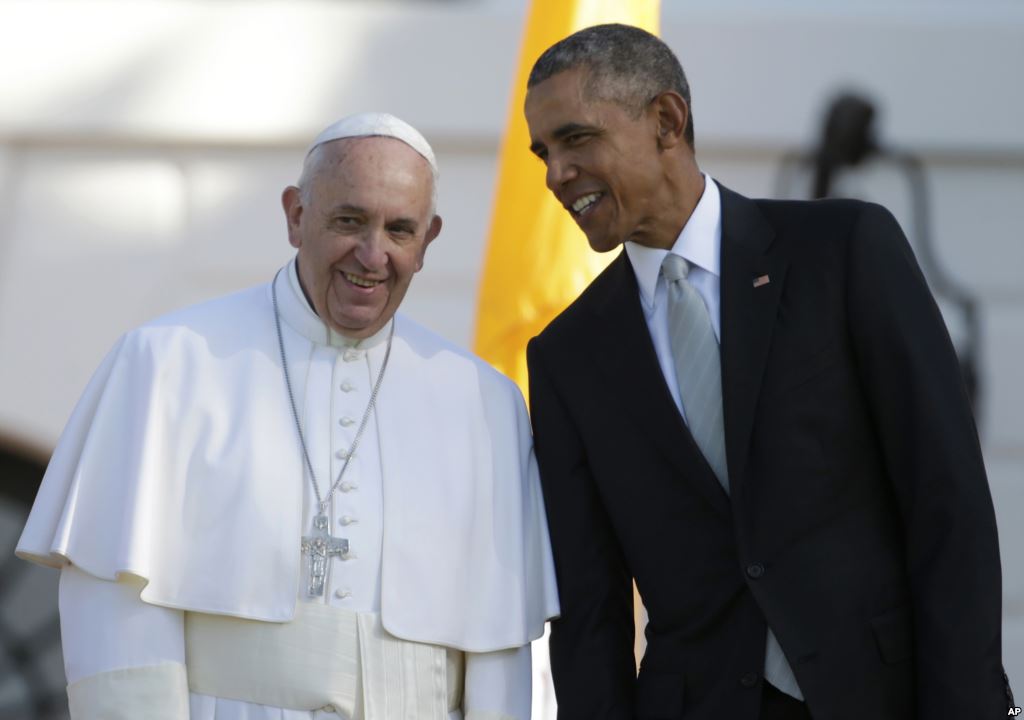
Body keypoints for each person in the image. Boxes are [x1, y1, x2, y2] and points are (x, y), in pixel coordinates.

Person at [522, 23, 1010, 720]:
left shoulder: (844, 253)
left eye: (576, 139)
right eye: (544, 153)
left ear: (666, 120)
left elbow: (948, 507)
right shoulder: (566, 355)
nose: (554, 175)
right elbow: (590, 611)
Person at [17, 112, 559, 720]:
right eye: (349, 220)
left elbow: (498, 642)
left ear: (428, 240)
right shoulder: (167, 362)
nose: (372, 255)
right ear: (296, 216)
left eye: (399, 230)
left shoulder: (483, 401)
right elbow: (115, 610)